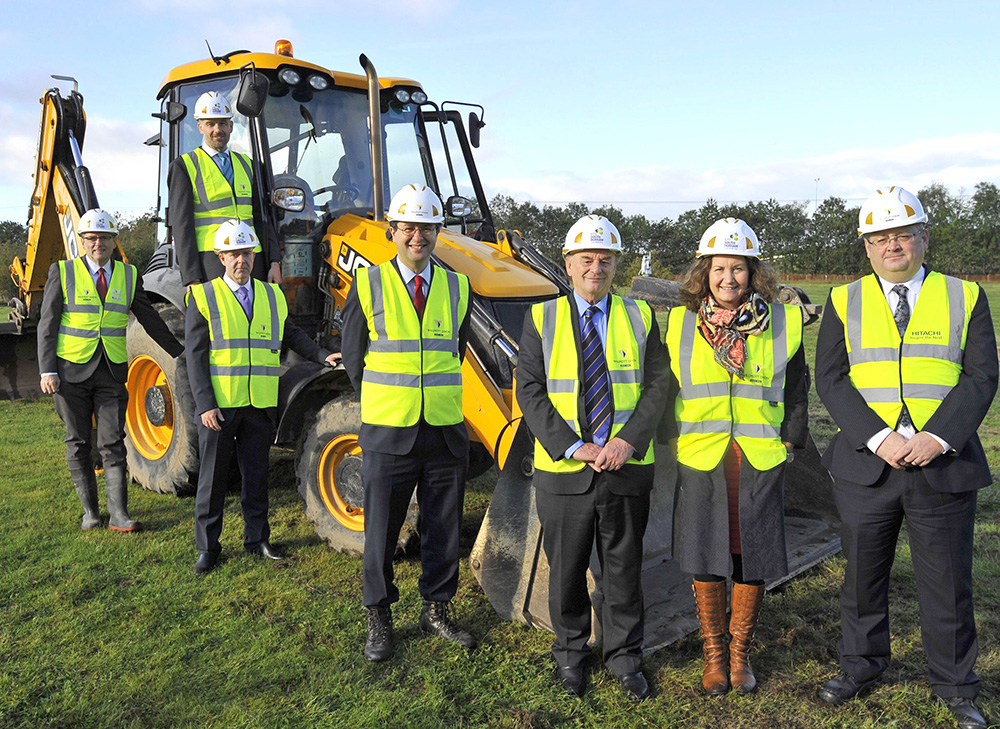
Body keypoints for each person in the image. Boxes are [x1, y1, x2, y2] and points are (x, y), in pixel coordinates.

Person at [815, 187, 997, 729]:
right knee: (861, 578)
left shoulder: (966, 296)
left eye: (902, 233)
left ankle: (955, 683)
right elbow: (830, 377)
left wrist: (937, 437)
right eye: (879, 237)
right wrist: (878, 437)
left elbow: (982, 376)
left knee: (947, 582)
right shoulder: (843, 299)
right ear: (867, 248)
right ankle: (861, 666)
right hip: (867, 465)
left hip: (941, 462)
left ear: (923, 238)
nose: (892, 244)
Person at [516, 215, 669, 702]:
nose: (596, 267)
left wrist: (627, 441)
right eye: (586, 258)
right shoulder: (543, 317)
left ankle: (625, 658)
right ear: (568, 263)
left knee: (624, 570)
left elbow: (659, 386)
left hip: (626, 466)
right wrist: (573, 445)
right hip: (566, 472)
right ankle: (571, 653)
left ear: (616, 265)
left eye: (605, 259)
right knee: (566, 570)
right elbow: (530, 389)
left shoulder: (640, 316)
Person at [658, 218, 808, 695]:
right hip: (703, 454)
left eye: (739, 269)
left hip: (758, 455)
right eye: (719, 268)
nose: (728, 279)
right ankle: (714, 655)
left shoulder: (784, 320)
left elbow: (799, 389)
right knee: (705, 551)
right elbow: (665, 386)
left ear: (754, 273)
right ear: (704, 272)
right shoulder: (680, 322)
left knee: (751, 554)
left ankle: (740, 654)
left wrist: (791, 440)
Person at [341, 184, 476, 662]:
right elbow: (355, 359)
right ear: (393, 232)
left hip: (442, 430)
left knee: (444, 527)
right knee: (381, 531)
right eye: (409, 227)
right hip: (388, 431)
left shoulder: (459, 286)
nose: (418, 236)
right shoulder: (367, 284)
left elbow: (454, 350)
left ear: (438, 232)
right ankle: (378, 617)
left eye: (427, 227)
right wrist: (385, 404)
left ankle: (436, 609)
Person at [186, 219, 339, 575]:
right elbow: (194, 357)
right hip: (220, 407)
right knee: (212, 480)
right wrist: (205, 404)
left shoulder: (271, 295)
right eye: (233, 254)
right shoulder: (204, 297)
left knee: (257, 477)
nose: (241, 260)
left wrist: (320, 355)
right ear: (220, 257)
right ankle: (208, 548)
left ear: (254, 256)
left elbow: (290, 334)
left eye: (247, 253)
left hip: (259, 404)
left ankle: (258, 539)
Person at [38, 208, 184, 531]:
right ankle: (91, 512)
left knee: (113, 441)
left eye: (104, 238)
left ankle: (119, 515)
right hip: (69, 371)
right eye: (91, 238)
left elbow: (150, 321)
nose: (97, 244)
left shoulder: (129, 275)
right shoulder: (61, 272)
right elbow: (47, 326)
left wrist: (180, 352)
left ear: (114, 241)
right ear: (82, 241)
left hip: (111, 371)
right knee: (77, 441)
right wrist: (47, 370)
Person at [168, 91, 280, 288]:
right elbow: (181, 226)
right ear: (200, 127)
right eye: (211, 124)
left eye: (222, 123)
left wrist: (274, 261)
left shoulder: (249, 165)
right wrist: (191, 277)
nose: (217, 129)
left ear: (231, 126)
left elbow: (263, 217)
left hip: (253, 258)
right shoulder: (184, 166)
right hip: (211, 261)